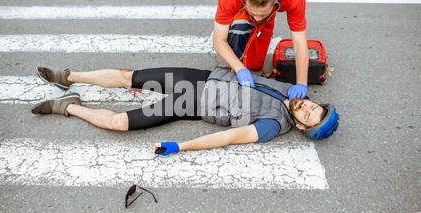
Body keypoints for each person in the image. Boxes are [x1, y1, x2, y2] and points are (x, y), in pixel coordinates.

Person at [31, 67, 339, 156]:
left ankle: (68, 106)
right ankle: (67, 77)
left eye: (310, 115)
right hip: (199, 78)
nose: (309, 106)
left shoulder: (273, 126)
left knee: (120, 123)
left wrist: (181, 146)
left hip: (190, 104)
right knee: (129, 76)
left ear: (301, 127)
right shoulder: (294, 91)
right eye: (315, 106)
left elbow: (229, 138)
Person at [213, 0, 309, 100]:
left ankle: (261, 16)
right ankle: (239, 24)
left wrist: (302, 83)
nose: (257, 19)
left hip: (270, 4)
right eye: (254, 14)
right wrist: (239, 69)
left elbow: (300, 44)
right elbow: (218, 40)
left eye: (262, 14)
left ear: (276, 1)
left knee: (255, 64)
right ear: (245, 0)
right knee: (240, 32)